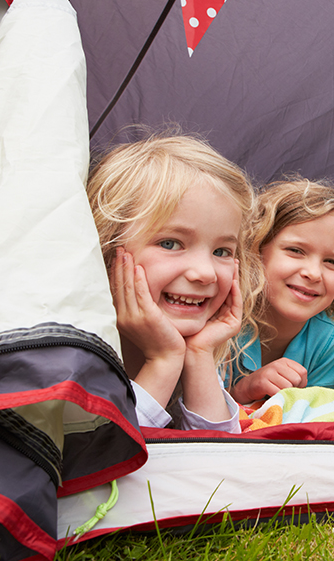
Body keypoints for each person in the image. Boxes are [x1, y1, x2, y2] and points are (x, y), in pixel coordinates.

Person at [87, 134, 259, 431]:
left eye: (221, 251)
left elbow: (220, 465)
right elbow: (100, 461)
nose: (204, 273)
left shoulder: (197, 349)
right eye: (170, 243)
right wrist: (162, 362)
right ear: (105, 248)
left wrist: (200, 355)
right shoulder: (74, 359)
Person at [229, 178, 334, 405]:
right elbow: (192, 414)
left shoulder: (331, 337)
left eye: (332, 262)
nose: (314, 273)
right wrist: (244, 390)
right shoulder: (224, 315)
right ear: (256, 249)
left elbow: (314, 420)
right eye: (296, 250)